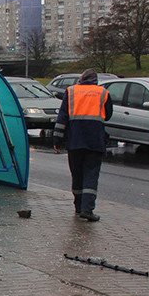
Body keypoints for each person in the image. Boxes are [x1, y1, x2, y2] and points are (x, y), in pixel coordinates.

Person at [52, 68, 112, 222]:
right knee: (91, 175)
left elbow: (62, 118)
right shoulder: (103, 93)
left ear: (81, 79)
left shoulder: (71, 92)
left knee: (77, 175)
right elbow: (108, 114)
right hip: (95, 141)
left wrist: (57, 140)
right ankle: (87, 209)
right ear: (95, 81)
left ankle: (78, 207)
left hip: (75, 141)